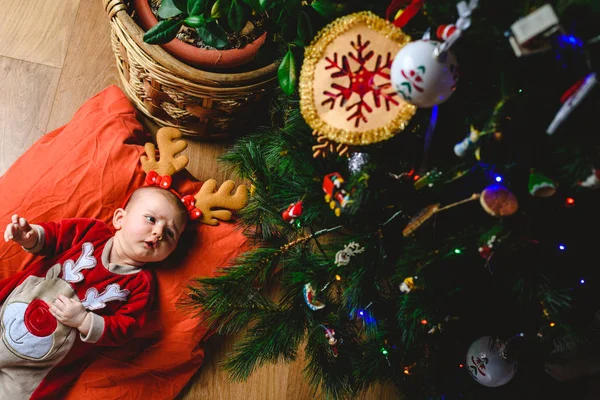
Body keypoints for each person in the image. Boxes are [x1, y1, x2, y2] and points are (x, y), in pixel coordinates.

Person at [0, 185, 188, 400]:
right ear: (120, 219)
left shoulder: (142, 285)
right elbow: (54, 236)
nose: (158, 232)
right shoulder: (91, 232)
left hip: (34, 369)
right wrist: (29, 237)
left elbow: (124, 328)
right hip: (9, 311)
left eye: (170, 233)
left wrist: (84, 320)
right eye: (151, 219)